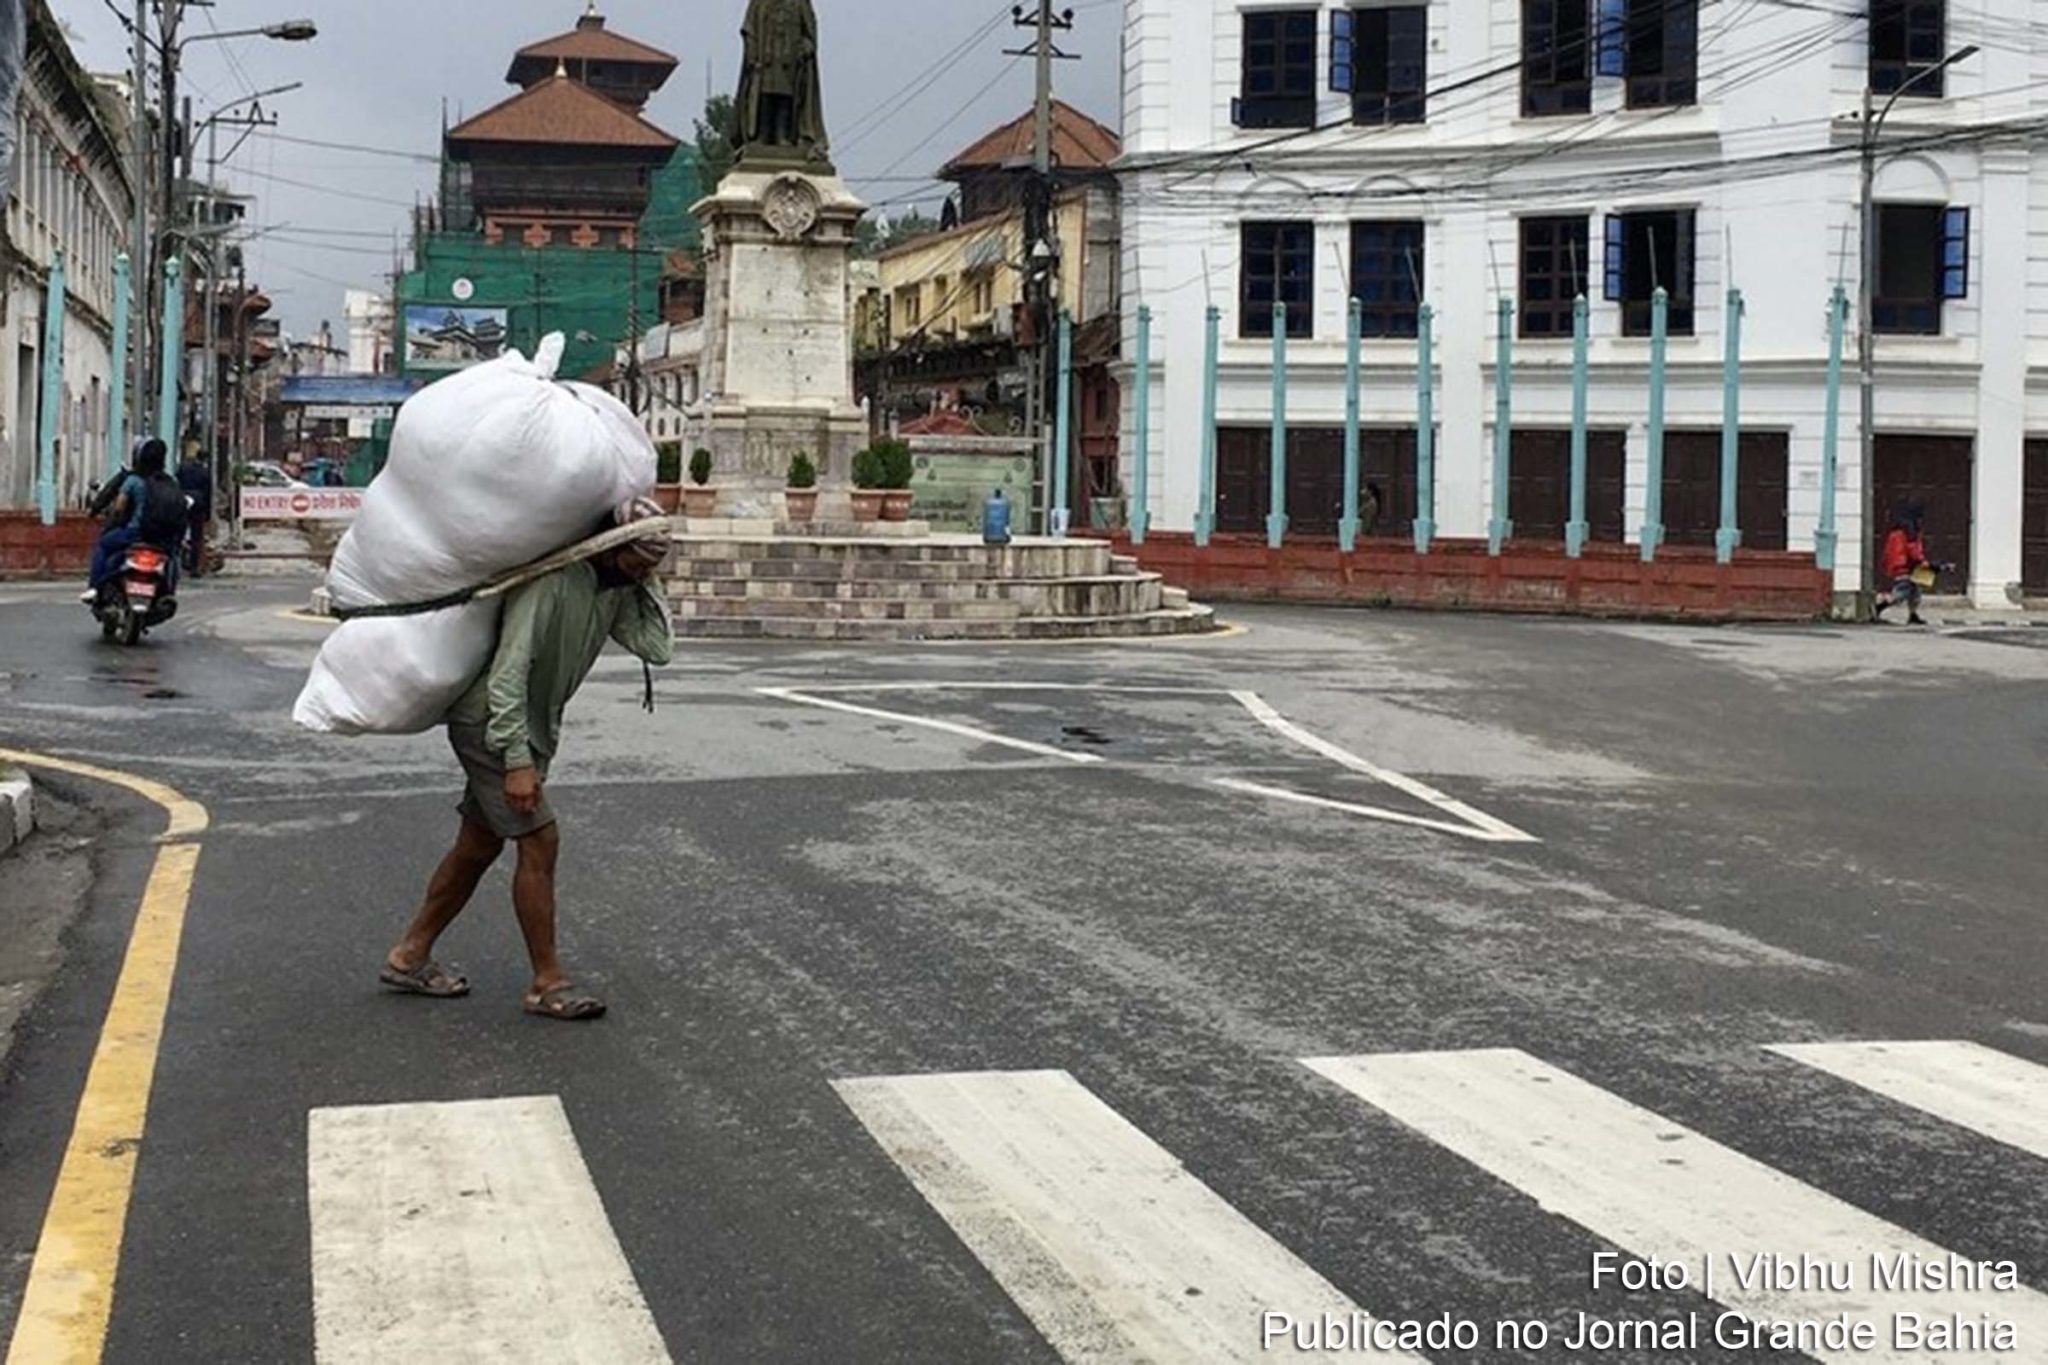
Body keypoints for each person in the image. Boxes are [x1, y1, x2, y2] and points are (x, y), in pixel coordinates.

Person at [381, 498, 675, 1022]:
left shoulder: (615, 592)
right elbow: (508, 675)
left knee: (477, 845)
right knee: (540, 840)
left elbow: (656, 647)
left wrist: (645, 583)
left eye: (649, 564)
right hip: (492, 724)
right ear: (609, 547)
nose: (640, 570)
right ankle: (547, 981)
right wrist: (516, 759)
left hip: (527, 730)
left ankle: (410, 955)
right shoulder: (551, 583)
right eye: (635, 560)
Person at [86, 438, 187, 594]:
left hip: (136, 532)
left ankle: (94, 588)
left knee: (103, 545)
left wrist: (111, 517)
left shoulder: (133, 480)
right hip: (161, 537)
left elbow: (118, 508)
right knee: (172, 556)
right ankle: (168, 592)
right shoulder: (170, 482)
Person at [1874, 500, 1930, 626]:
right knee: (1903, 592)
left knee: (1915, 591)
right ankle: (1880, 606)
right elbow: (1913, 550)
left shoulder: (1896, 532)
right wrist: (1922, 561)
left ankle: (1913, 614)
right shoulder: (1911, 531)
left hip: (1897, 564)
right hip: (1906, 566)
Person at [177, 448, 215, 577]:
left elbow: (177, 483)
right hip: (198, 505)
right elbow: (209, 494)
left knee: (178, 534)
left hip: (182, 502)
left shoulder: (183, 469)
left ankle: (176, 564)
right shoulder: (205, 473)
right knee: (196, 538)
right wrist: (208, 513)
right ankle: (194, 568)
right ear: (205, 459)